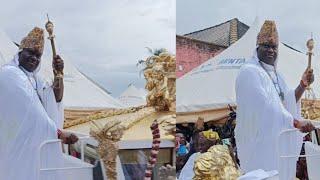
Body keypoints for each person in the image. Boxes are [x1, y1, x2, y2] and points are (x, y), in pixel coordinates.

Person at [235, 20, 315, 179]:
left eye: (274, 47)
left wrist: (302, 85)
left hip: (277, 145)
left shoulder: (278, 76)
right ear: (257, 47)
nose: (271, 50)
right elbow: (266, 107)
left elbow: (286, 103)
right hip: (259, 146)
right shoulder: (249, 72)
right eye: (266, 46)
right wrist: (297, 123)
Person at [0, 27, 78, 180]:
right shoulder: (9, 74)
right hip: (16, 147)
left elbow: (55, 100)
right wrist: (59, 134)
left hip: (35, 149)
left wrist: (59, 74)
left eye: (38, 56)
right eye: (30, 53)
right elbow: (32, 111)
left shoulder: (36, 80)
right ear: (20, 52)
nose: (34, 58)